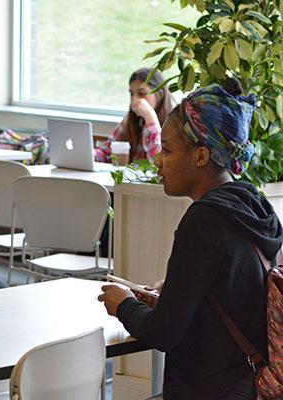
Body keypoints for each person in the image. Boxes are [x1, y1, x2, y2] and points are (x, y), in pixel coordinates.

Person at [98, 78, 282, 399]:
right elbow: (234, 291)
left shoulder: (203, 221)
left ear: (200, 157)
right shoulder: (253, 204)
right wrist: (176, 293)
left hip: (212, 388)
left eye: (166, 150)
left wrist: (123, 304)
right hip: (248, 380)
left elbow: (164, 333)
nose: (158, 160)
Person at [95, 67, 176, 163]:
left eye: (141, 93)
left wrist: (151, 120)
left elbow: (158, 163)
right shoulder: (131, 121)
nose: (134, 99)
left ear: (160, 94)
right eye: (132, 94)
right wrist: (91, 155)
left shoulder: (174, 124)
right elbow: (107, 152)